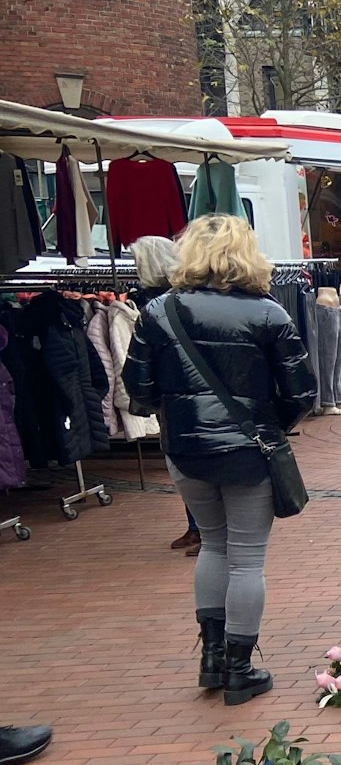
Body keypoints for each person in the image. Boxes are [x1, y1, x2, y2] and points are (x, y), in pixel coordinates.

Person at [123, 213, 317, 705]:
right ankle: (238, 668)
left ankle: (211, 659)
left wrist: (176, 413)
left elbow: (137, 387)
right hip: (249, 450)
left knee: (213, 545)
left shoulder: (159, 310)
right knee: (247, 559)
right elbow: (301, 392)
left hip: (185, 449)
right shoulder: (268, 313)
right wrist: (269, 424)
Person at [132, 235, 202, 557]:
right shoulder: (180, 298)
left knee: (188, 462)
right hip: (182, 393)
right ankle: (197, 525)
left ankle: (203, 528)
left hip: (180, 394)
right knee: (185, 461)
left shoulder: (161, 305)